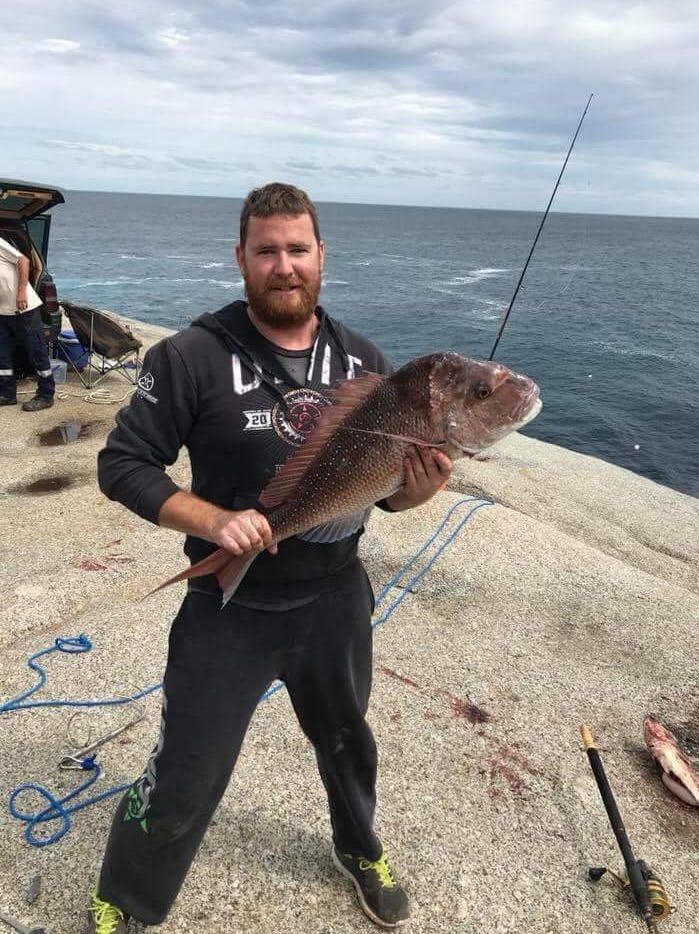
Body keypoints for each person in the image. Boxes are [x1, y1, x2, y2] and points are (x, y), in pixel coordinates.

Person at [87, 183, 452, 933]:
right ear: (241, 259)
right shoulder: (189, 356)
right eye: (266, 251)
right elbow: (124, 466)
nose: (283, 266)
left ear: (321, 255)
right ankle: (125, 898)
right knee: (186, 768)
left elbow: (383, 500)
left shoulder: (364, 361)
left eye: (297, 249)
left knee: (349, 742)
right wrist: (214, 521)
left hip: (334, 598)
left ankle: (359, 849)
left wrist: (418, 492)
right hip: (230, 606)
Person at [0, 235, 55, 411]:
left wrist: (21, 291)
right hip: (2, 312)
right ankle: (7, 394)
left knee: (36, 351)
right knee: (2, 356)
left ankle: (46, 395)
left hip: (24, 309)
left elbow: (23, 261)